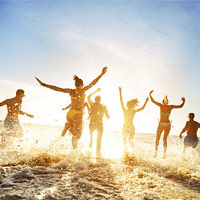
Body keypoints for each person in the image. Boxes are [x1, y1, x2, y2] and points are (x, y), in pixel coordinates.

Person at [35, 67, 107, 149]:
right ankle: (68, 126)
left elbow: (58, 89)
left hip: (70, 113)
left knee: (74, 135)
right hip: (77, 114)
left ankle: (74, 150)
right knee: (78, 135)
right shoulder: (83, 90)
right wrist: (101, 74)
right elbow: (93, 83)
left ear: (75, 85)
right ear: (82, 85)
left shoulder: (71, 91)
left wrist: (43, 84)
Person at [149, 90, 185, 158]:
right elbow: (181, 106)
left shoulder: (161, 105)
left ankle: (156, 154)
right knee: (164, 139)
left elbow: (152, 101)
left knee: (157, 139)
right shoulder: (170, 107)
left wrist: (150, 94)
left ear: (163, 102)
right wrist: (183, 101)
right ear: (167, 102)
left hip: (161, 124)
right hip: (167, 124)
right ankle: (164, 155)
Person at [87, 88, 110, 156]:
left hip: (96, 123)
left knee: (95, 140)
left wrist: (96, 91)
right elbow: (108, 116)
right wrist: (107, 115)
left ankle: (94, 154)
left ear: (98, 100)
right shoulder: (101, 106)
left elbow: (88, 97)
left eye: (97, 100)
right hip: (97, 124)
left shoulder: (94, 105)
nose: (97, 101)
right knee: (97, 140)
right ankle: (97, 155)